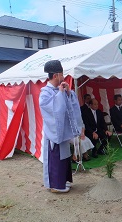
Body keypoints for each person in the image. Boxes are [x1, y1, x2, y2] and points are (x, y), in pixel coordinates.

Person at [39, 60, 83, 193]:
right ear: (56, 75)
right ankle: (54, 185)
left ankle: (63, 181)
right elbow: (52, 110)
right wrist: (60, 94)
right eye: (62, 74)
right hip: (54, 133)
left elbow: (71, 107)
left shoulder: (61, 89)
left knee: (64, 157)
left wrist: (68, 93)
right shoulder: (45, 93)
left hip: (63, 132)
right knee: (56, 158)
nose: (63, 77)